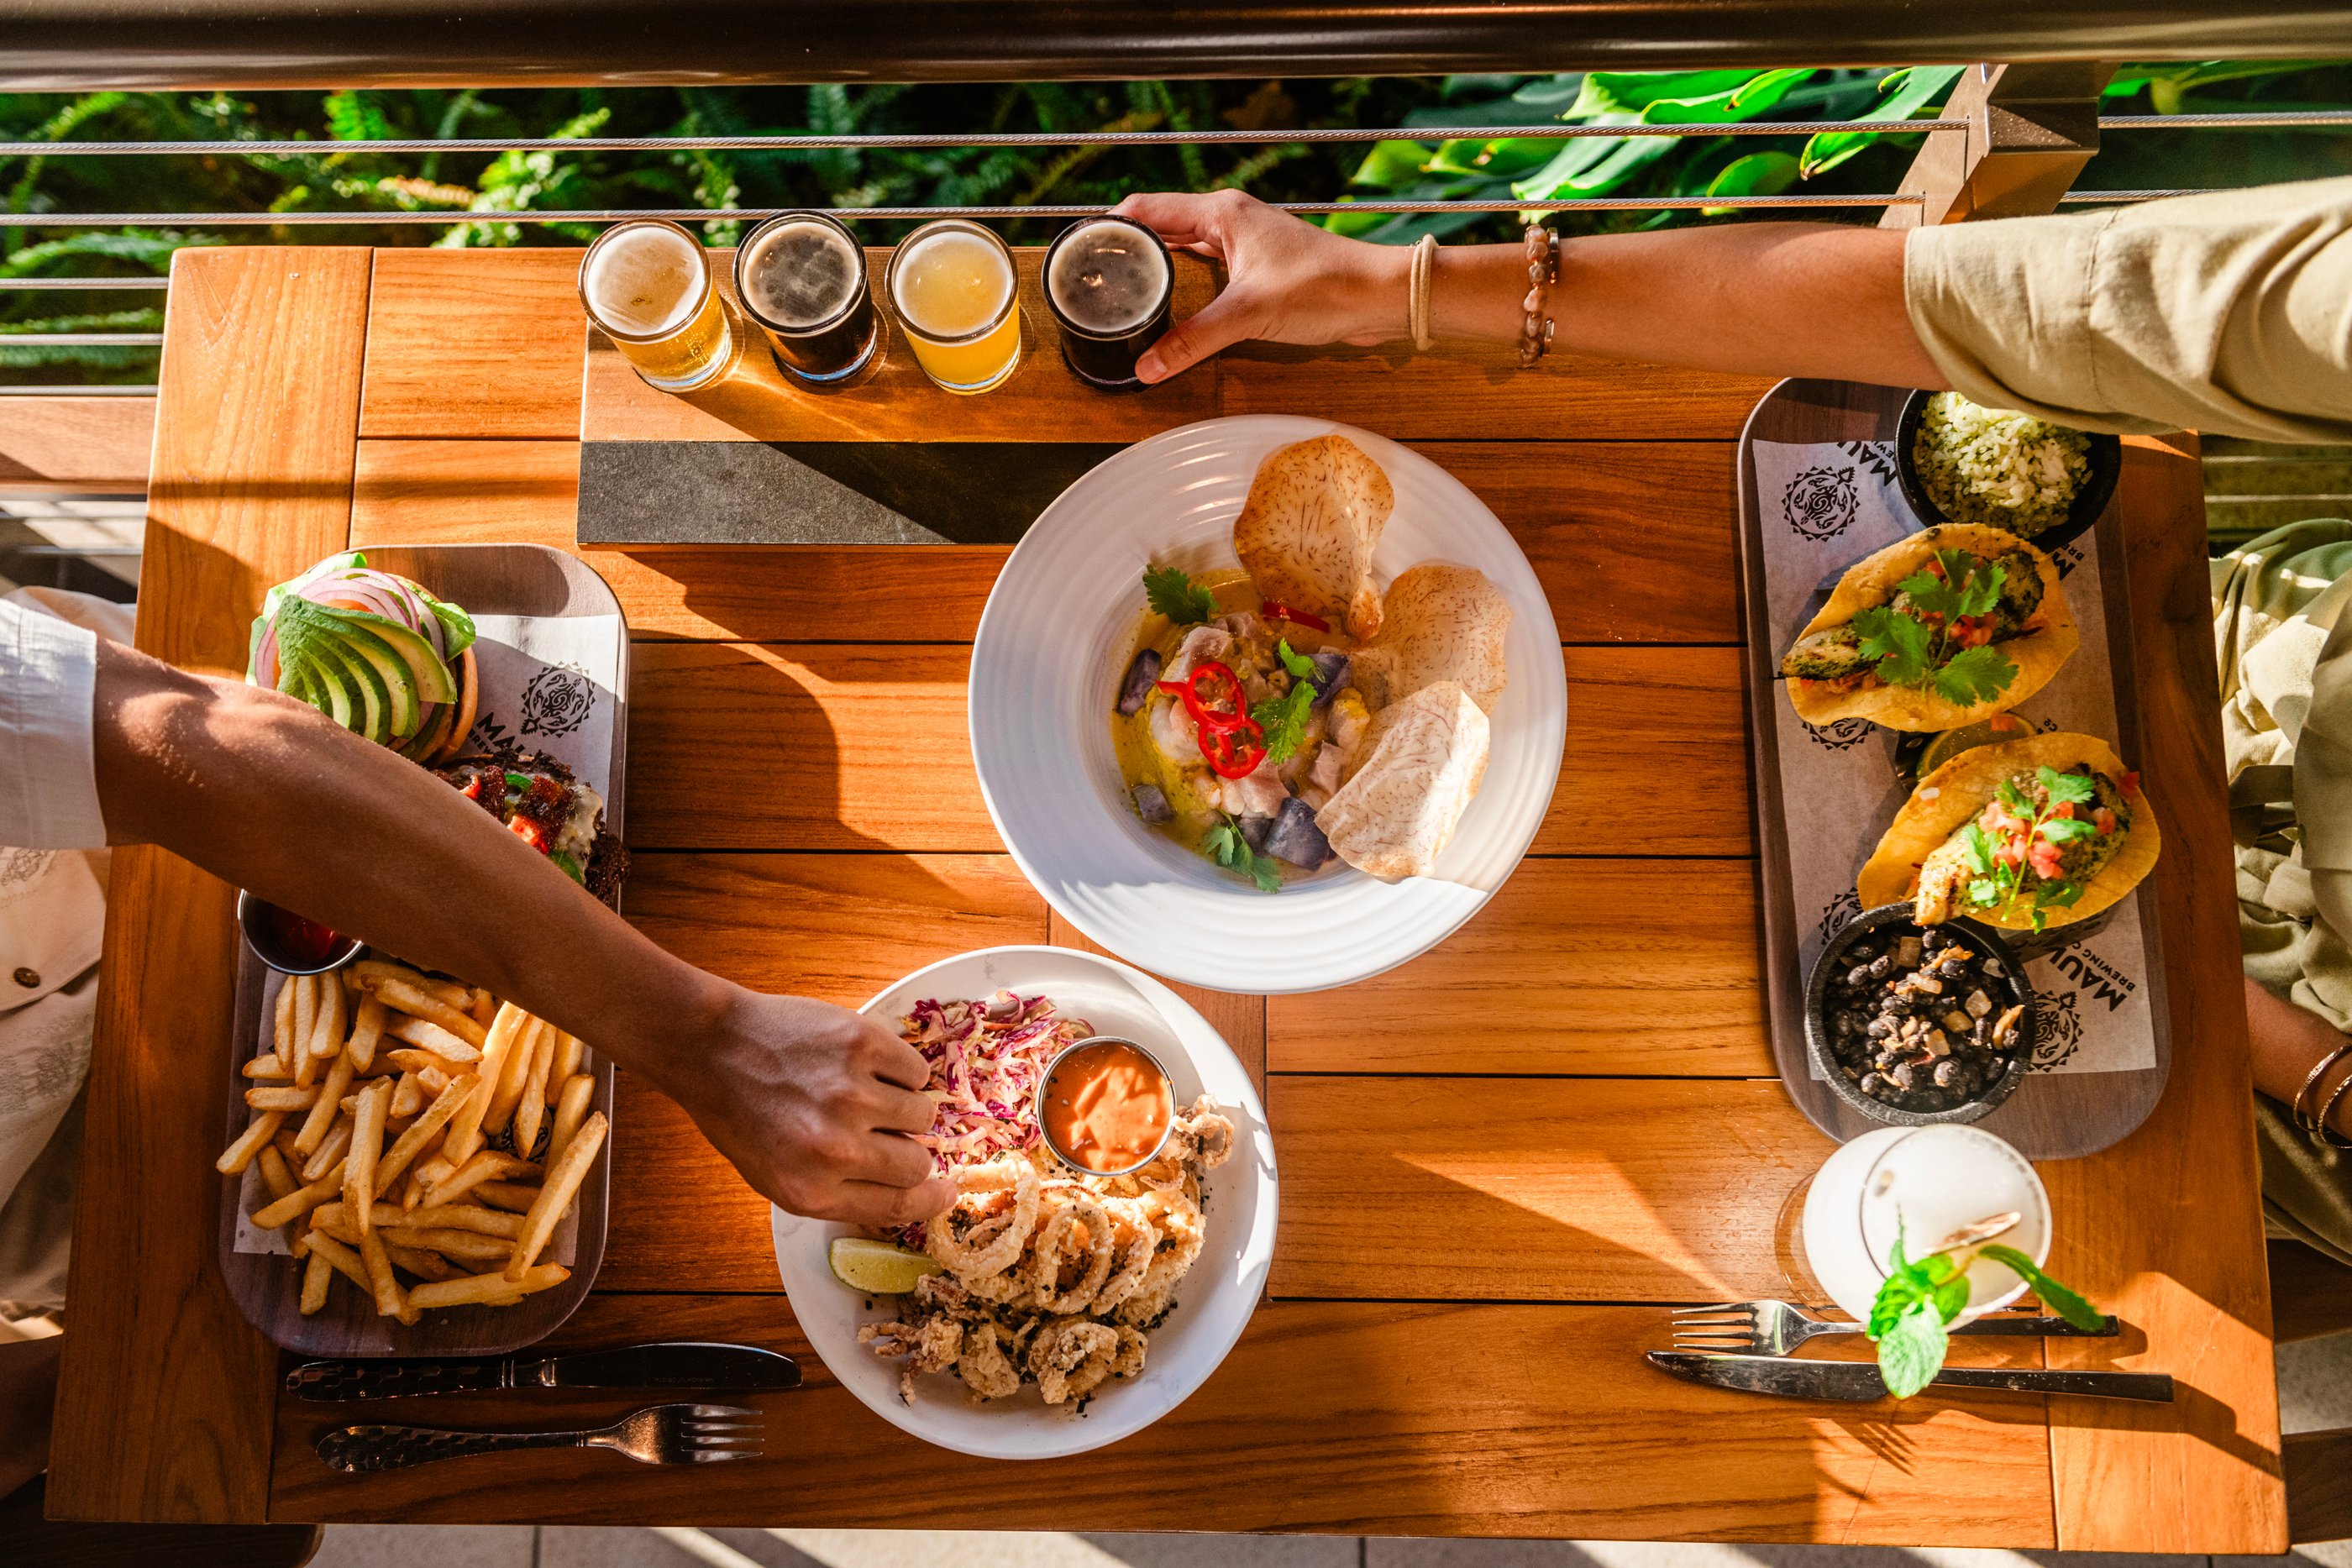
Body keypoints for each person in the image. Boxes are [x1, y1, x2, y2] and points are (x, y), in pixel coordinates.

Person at [1112, 178, 2352, 1249]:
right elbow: (1987, 299)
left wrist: (2238, 1011)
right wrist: (1395, 285)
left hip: (2303, 1058)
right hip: (2250, 642)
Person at [0, 582, 954, 1496]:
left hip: (152, 840)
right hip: (57, 1214)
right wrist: (135, 1369)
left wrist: (710, 1035)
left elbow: (194, 736)